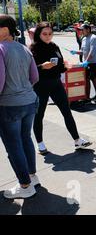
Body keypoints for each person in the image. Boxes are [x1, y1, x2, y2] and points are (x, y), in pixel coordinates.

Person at [30, 22, 92, 155]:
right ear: (38, 34)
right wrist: (41, 67)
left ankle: (77, 140)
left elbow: (59, 65)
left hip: (56, 83)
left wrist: (66, 66)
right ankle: (40, 143)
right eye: (44, 34)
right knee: (39, 114)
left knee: (66, 111)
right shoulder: (33, 48)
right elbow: (29, 70)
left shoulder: (54, 46)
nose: (48, 37)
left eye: (50, 34)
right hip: (41, 85)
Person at [0, 15, 40, 199]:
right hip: (29, 101)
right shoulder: (24, 48)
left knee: (13, 145)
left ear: (5, 29)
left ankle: (25, 186)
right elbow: (35, 77)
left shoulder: (1, 49)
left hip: (9, 105)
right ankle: (32, 176)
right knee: (25, 139)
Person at [71, 24, 96, 101]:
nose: (81, 31)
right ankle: (87, 96)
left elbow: (92, 52)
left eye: (82, 29)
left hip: (93, 62)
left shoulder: (93, 38)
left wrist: (86, 61)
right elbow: (83, 51)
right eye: (80, 30)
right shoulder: (84, 38)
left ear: (88, 29)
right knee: (87, 79)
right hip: (87, 62)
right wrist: (75, 52)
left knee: (92, 77)